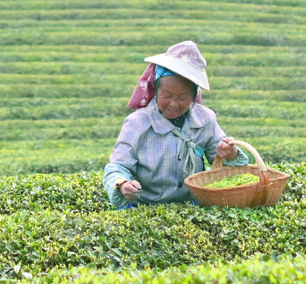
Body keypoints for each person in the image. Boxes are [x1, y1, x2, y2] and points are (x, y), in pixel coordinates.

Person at [103, 41, 248, 208]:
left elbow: (224, 165)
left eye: (182, 97)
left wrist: (230, 153)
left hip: (193, 204)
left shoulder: (205, 119)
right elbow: (117, 166)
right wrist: (122, 185)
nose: (173, 104)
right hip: (145, 206)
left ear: (194, 96)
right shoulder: (137, 123)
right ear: (156, 90)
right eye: (167, 95)